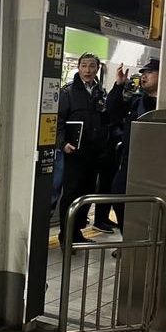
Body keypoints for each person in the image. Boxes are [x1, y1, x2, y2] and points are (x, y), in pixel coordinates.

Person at [57, 52, 113, 245]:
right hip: (75, 153)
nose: (88, 70)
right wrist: (63, 143)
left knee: (86, 194)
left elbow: (106, 119)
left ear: (97, 69)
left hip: (94, 153)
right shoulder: (68, 93)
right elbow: (57, 122)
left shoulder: (100, 92)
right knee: (71, 193)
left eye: (92, 66)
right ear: (78, 68)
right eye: (84, 66)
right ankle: (65, 235)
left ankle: (77, 231)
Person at [106, 58, 160, 231]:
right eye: (143, 73)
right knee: (118, 195)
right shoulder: (136, 101)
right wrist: (119, 85)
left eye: (149, 73)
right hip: (130, 161)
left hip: (156, 165)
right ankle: (127, 238)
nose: (144, 76)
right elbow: (112, 110)